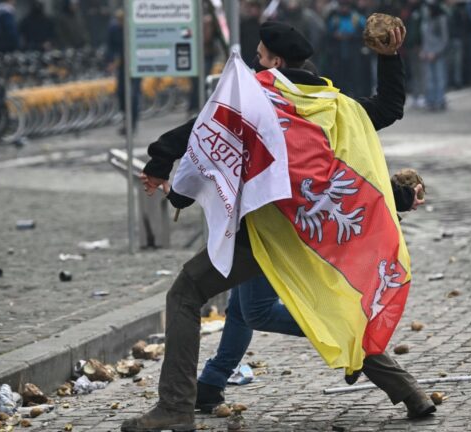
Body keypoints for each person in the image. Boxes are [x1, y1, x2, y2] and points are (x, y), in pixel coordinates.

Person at [122, 21, 434, 432]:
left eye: (262, 57)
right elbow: (356, 152)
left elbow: (206, 130)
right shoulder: (332, 106)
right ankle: (410, 392)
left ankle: (177, 406)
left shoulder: (259, 100)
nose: (256, 63)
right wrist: (389, 57)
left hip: (265, 234)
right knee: (289, 308)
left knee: (185, 292)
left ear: (277, 62)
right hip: (313, 239)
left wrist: (161, 160)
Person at [194, 180, 426, 414]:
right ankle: (211, 384)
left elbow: (330, 166)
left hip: (273, 221)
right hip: (258, 218)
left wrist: (398, 194)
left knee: (257, 311)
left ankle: (402, 385)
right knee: (241, 307)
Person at [106, 9, 140, 134]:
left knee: (134, 95)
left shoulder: (133, 28)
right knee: (121, 93)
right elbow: (110, 46)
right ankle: (126, 118)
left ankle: (132, 123)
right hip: (122, 65)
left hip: (136, 65)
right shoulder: (114, 29)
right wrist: (110, 61)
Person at [420, 0, 449, 111]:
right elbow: (425, 38)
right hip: (427, 53)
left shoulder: (441, 18)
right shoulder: (427, 20)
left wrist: (436, 52)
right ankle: (431, 100)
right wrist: (424, 50)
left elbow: (444, 39)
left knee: (439, 78)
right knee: (429, 79)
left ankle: (440, 100)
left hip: (437, 54)